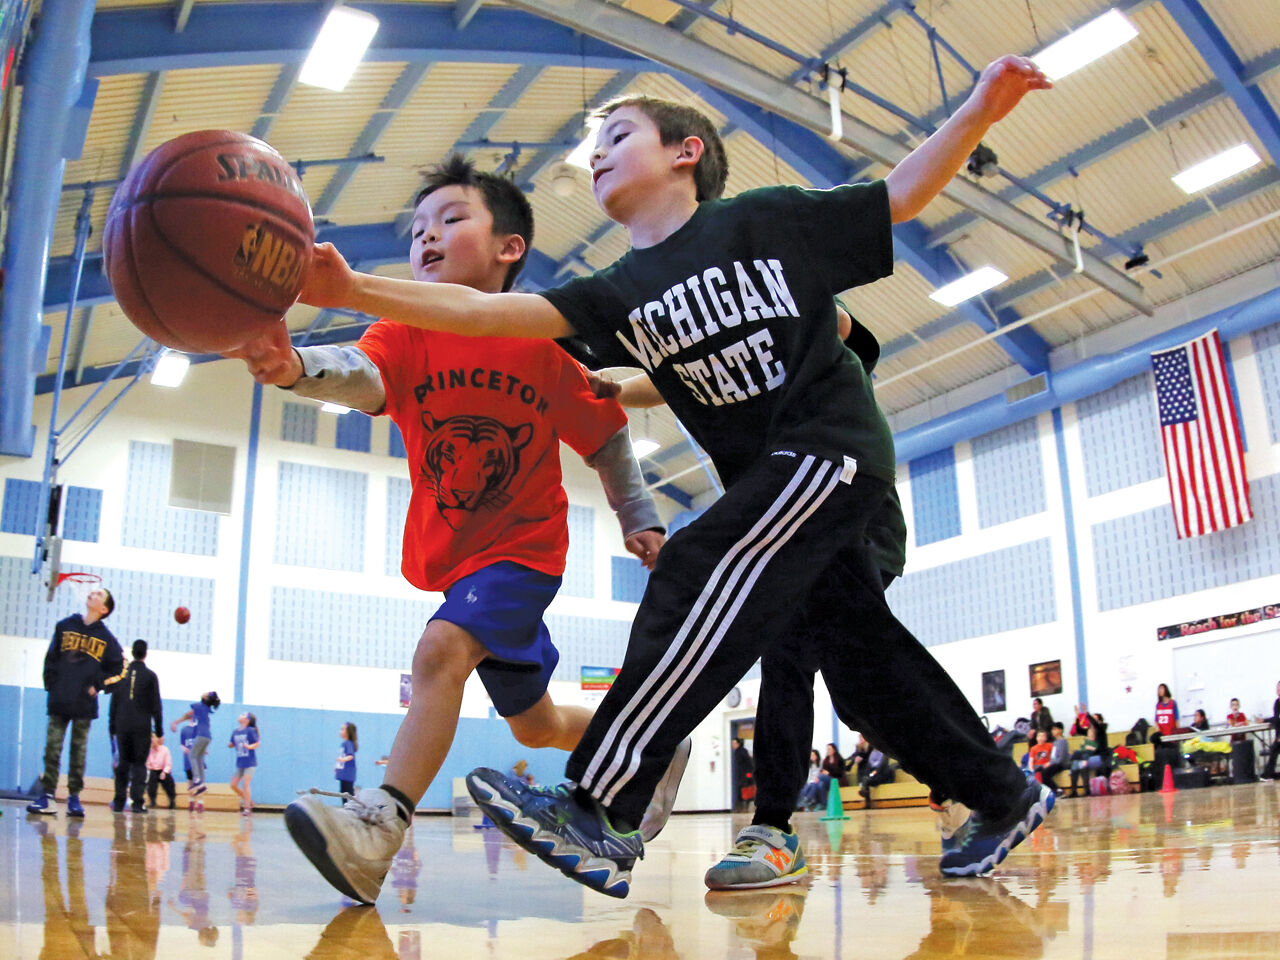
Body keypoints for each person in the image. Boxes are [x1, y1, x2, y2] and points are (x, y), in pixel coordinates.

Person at [298, 55, 1055, 896]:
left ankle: (602, 806)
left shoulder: (764, 223)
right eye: (594, 144)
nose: (597, 152)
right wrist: (353, 288)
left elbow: (900, 196)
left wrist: (980, 109)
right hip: (773, 482)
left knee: (695, 569)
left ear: (686, 152)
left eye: (619, 134)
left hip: (828, 450)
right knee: (861, 663)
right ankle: (1002, 793)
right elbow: (483, 312)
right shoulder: (619, 292)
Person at [225, 155, 676, 905]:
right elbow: (362, 374)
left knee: (440, 651)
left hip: (524, 552)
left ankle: (380, 827)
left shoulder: (540, 340)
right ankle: (651, 743)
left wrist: (640, 517)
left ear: (509, 248)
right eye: (417, 229)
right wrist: (293, 365)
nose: (426, 236)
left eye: (451, 219)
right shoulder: (404, 332)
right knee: (535, 725)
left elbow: (606, 435)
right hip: (459, 562)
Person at [28, 587, 124, 817]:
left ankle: (73, 797)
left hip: (84, 703)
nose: (93, 594)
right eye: (93, 592)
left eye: (99, 594)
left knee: (78, 753)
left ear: (104, 609)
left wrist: (99, 685)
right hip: (60, 698)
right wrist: (52, 685)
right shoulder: (65, 625)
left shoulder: (107, 639)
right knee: (52, 749)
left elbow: (121, 669)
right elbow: (51, 659)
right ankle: (48, 796)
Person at [109, 639, 164, 813]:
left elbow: (114, 703)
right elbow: (156, 706)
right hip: (142, 726)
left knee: (123, 763)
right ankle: (137, 803)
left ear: (132, 652)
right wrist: (159, 730)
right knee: (139, 764)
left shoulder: (122, 675)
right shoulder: (151, 676)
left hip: (122, 725)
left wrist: (112, 727)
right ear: (145, 653)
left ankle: (119, 802)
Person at [170, 691, 219, 811]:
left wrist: (176, 722)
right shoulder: (206, 708)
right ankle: (201, 784)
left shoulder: (199, 706)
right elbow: (190, 715)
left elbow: (188, 714)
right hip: (208, 737)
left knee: (192, 755)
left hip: (201, 735)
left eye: (206, 693)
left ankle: (197, 780)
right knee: (199, 759)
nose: (204, 692)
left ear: (206, 698)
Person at [229, 712, 261, 814]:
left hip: (250, 762)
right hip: (240, 762)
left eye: (243, 715)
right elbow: (232, 743)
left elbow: (257, 743)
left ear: (247, 720)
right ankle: (249, 801)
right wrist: (231, 745)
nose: (240, 715)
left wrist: (249, 746)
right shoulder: (235, 732)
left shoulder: (250, 730)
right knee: (233, 785)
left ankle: (247, 808)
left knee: (246, 783)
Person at [1039, 722, 1071, 795]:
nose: (1052, 731)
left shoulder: (1062, 741)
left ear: (1060, 730)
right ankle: (1051, 791)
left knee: (1045, 774)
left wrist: (1050, 763)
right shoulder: (1055, 742)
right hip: (1055, 763)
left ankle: (1058, 790)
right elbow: (1053, 756)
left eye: (1055, 729)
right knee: (1041, 771)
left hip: (1061, 764)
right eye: (1052, 729)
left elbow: (1061, 758)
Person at [146, 734, 176, 809]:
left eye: (154, 738)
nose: (152, 740)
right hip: (152, 770)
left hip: (162, 770)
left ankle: (172, 800)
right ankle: (152, 800)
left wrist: (164, 772)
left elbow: (168, 764)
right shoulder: (148, 750)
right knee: (151, 778)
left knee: (168, 779)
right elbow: (147, 764)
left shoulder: (165, 750)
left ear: (157, 739)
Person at [731, 737, 756, 812]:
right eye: (732, 743)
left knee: (745, 789)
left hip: (745, 774)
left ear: (738, 744)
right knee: (741, 789)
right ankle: (742, 807)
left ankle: (745, 807)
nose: (732, 745)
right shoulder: (737, 752)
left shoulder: (742, 751)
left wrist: (749, 774)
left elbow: (749, 762)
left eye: (734, 743)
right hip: (741, 774)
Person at [335, 722, 357, 799]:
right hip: (343, 773)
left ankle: (353, 804)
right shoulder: (344, 743)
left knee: (349, 791)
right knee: (343, 791)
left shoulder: (348, 743)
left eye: (342, 729)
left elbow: (350, 756)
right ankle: (345, 804)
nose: (340, 731)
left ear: (348, 732)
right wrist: (337, 767)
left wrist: (342, 760)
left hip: (348, 773)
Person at [1263, 680, 1280, 780]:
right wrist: (1264, 720)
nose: (1278, 691)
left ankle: (1268, 774)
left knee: (1274, 749)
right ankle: (1268, 774)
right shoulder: (1277, 703)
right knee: (1274, 750)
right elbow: (1276, 718)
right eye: (1277, 689)